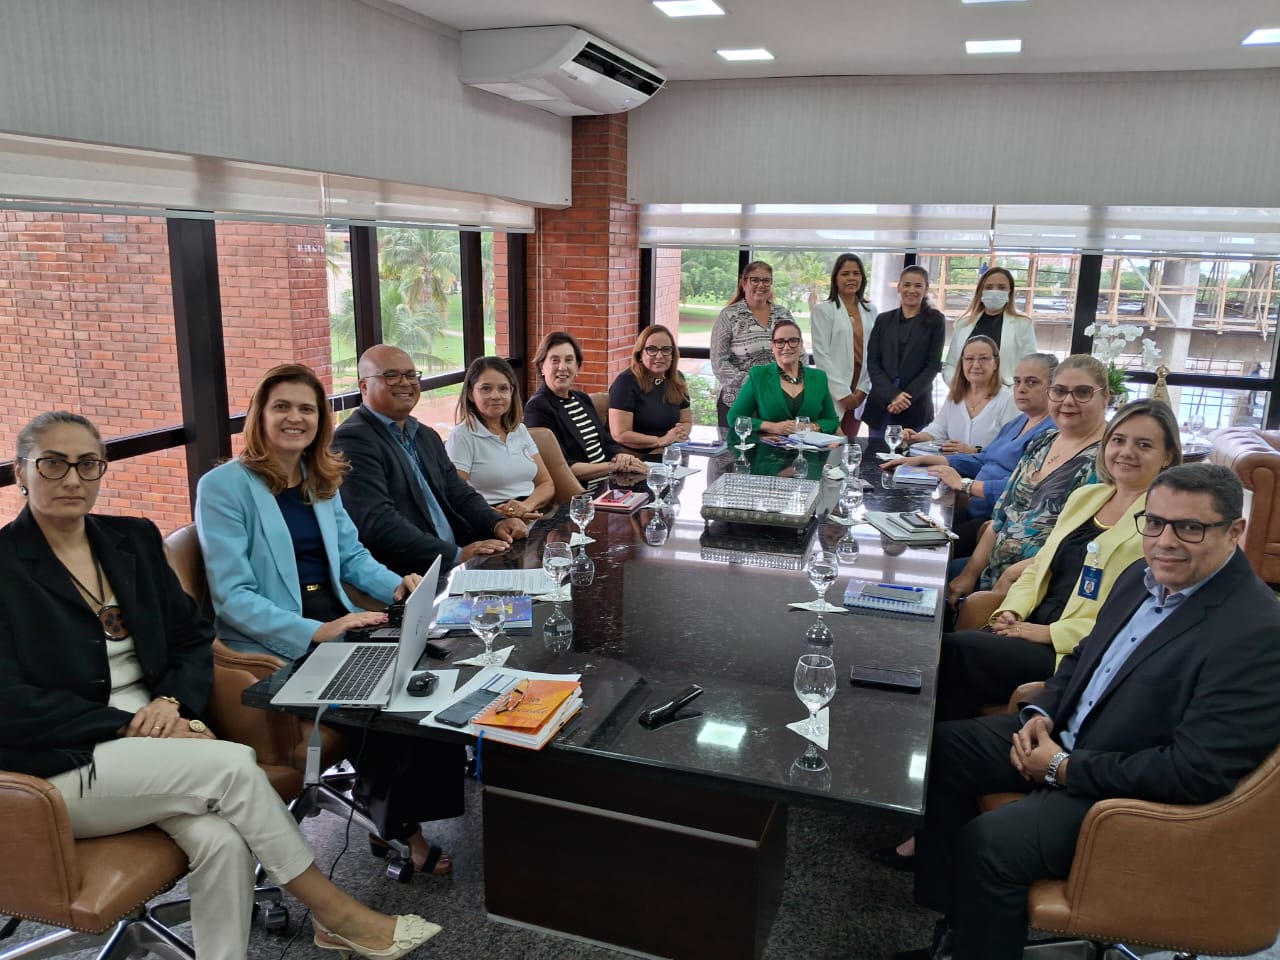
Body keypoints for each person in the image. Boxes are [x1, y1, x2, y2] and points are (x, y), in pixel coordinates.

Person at [1, 411, 440, 960]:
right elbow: (11, 702)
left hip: (155, 733)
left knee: (223, 840)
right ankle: (336, 913)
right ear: (21, 471)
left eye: (87, 464)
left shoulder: (130, 540)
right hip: (58, 762)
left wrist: (170, 705)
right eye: (52, 463)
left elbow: (190, 637)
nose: (72, 478)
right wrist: (137, 727)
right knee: (234, 765)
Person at [901, 464, 1280, 960]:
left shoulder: (1255, 631)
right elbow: (1083, 659)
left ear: (1235, 531)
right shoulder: (1139, 579)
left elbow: (1197, 772)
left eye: (1190, 528)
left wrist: (1064, 768)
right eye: (1156, 522)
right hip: (1066, 737)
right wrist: (1041, 711)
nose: (1165, 541)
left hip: (1123, 791)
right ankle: (958, 931)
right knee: (941, 751)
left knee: (990, 844)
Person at [197, 364, 464, 878]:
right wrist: (316, 631)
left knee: (437, 669)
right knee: (389, 701)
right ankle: (403, 831)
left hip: (341, 622)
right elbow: (232, 599)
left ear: (321, 419)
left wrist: (398, 585)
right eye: (282, 407)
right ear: (259, 415)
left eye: (307, 409)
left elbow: (351, 558)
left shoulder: (319, 477)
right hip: (273, 645)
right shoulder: (224, 487)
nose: (295, 418)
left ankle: (393, 817)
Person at [332, 344, 528, 575]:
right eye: (391, 376)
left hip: (459, 556)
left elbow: (459, 492)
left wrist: (496, 522)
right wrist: (456, 555)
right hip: (412, 573)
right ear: (364, 386)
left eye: (411, 375)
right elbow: (379, 523)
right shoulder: (352, 439)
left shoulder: (425, 434)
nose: (405, 383)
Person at [948, 355, 1109, 599]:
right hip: (992, 568)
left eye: (1083, 392)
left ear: (1105, 396)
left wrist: (1006, 584)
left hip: (1036, 585)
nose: (1068, 401)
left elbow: (1077, 550)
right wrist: (969, 574)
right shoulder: (1043, 441)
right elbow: (1001, 517)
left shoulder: (1106, 461)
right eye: (1060, 391)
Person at [882, 354, 1057, 555]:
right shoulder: (1018, 422)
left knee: (918, 549)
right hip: (970, 508)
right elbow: (983, 459)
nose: (1021, 388)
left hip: (995, 524)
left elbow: (1026, 488)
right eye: (1017, 381)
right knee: (897, 525)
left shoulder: (1050, 433)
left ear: (1054, 387)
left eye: (1032, 382)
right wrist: (926, 459)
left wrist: (966, 485)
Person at [524, 331, 648, 481]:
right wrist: (612, 467)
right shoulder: (538, 407)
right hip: (579, 491)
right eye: (555, 360)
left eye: (569, 360)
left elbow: (607, 442)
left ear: (577, 366)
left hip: (608, 480)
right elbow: (561, 467)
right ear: (542, 367)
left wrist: (622, 457)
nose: (562, 367)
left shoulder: (582, 399)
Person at [447, 355, 554, 520]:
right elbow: (455, 497)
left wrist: (526, 506)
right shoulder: (462, 435)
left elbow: (546, 484)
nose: (495, 396)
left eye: (503, 388)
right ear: (470, 393)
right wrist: (505, 516)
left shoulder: (519, 429)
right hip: (489, 520)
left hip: (532, 513)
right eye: (486, 389)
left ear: (511, 392)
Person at [710, 260, 795, 427]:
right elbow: (718, 363)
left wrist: (787, 383)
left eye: (766, 280)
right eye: (755, 280)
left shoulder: (783, 314)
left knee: (773, 451)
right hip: (737, 402)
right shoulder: (729, 315)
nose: (761, 285)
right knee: (735, 451)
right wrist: (753, 385)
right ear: (743, 283)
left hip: (776, 402)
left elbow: (799, 354)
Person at [864, 265, 946, 437]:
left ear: (926, 289)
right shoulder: (883, 320)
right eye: (907, 285)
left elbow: (932, 366)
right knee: (875, 458)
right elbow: (873, 361)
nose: (911, 290)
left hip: (915, 405)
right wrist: (893, 395)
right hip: (882, 402)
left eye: (918, 286)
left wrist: (903, 399)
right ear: (899, 287)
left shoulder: (936, 321)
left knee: (911, 460)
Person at [901, 335, 1016, 454]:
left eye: (983, 358)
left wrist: (975, 451)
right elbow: (939, 428)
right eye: (969, 359)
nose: (976, 365)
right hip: (950, 469)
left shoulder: (1008, 399)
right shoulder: (955, 396)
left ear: (995, 363)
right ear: (962, 363)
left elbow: (1011, 446)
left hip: (988, 470)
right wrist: (917, 437)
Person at [726, 319, 839, 437]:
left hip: (810, 451)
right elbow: (734, 418)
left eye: (793, 341)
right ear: (772, 347)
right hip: (769, 452)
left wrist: (812, 427)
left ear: (801, 344)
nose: (786, 347)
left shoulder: (819, 377)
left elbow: (832, 421)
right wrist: (773, 427)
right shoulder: (759, 375)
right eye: (780, 342)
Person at [810, 253, 877, 439]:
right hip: (834, 392)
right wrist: (843, 394)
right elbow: (821, 356)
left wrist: (863, 390)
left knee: (850, 448)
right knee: (829, 448)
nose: (851, 278)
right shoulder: (823, 310)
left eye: (856, 273)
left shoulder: (871, 310)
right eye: (845, 273)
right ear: (836, 278)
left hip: (860, 390)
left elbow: (875, 354)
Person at [940, 266, 1038, 386]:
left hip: (1006, 396)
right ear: (981, 291)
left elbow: (1031, 367)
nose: (994, 291)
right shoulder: (963, 324)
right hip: (966, 396)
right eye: (989, 287)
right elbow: (950, 365)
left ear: (1010, 293)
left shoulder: (1023, 324)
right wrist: (960, 389)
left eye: (1001, 287)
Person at [607, 324, 692, 458]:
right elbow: (620, 434)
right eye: (651, 349)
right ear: (640, 354)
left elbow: (686, 421)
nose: (659, 356)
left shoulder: (677, 379)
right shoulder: (625, 382)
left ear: (672, 354)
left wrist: (679, 434)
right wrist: (660, 441)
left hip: (667, 453)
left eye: (666, 349)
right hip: (632, 458)